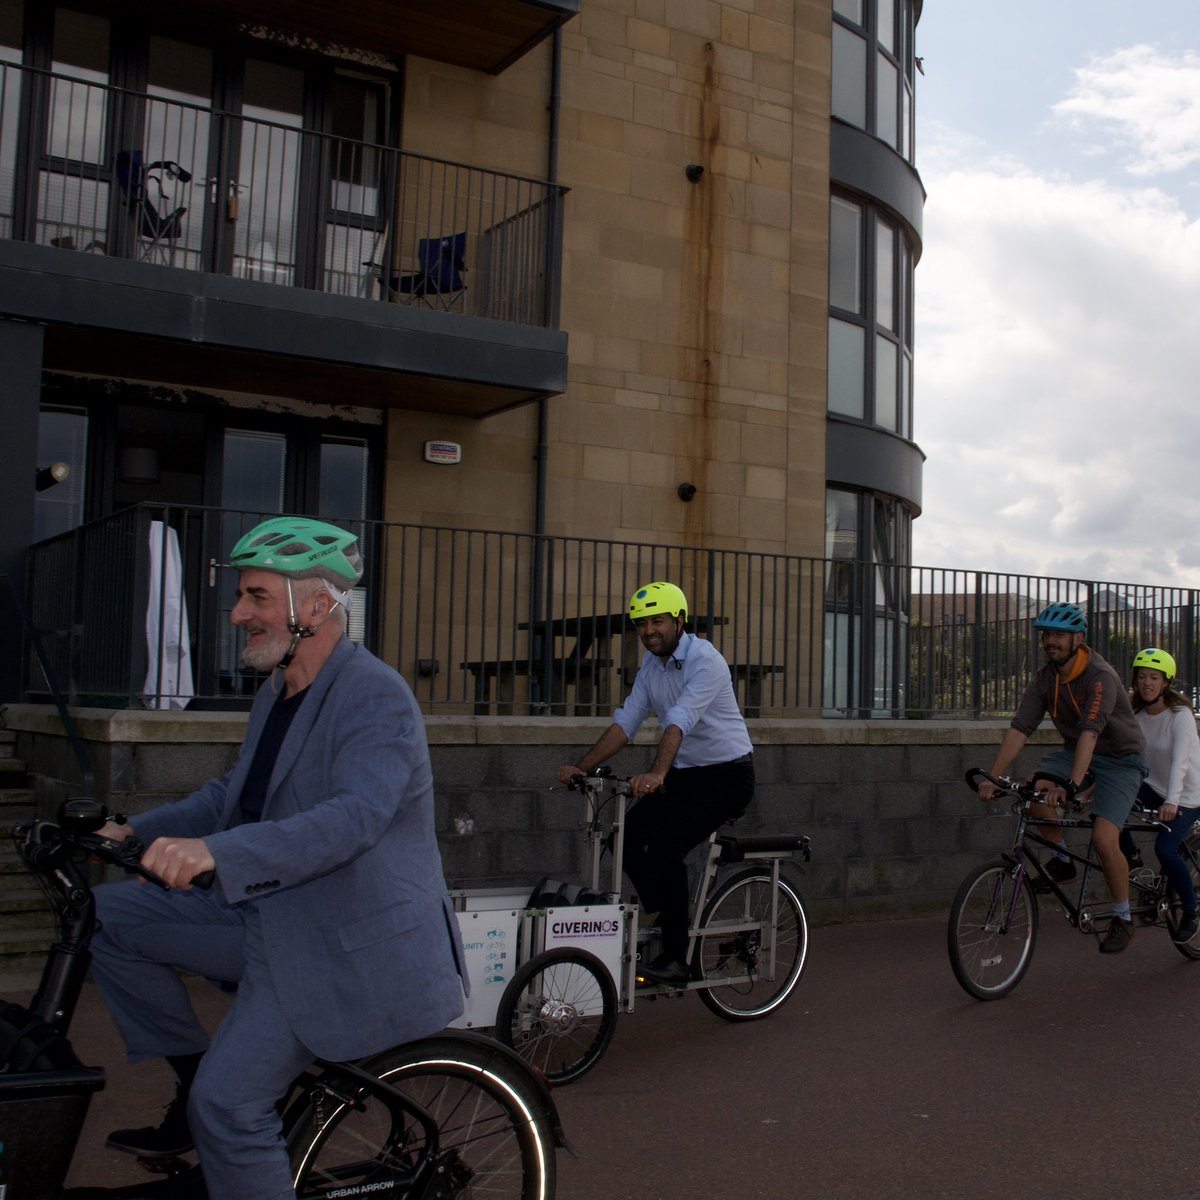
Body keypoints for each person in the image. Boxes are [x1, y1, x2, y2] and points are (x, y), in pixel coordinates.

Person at [88, 516, 466, 1200]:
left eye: (256, 597)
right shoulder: (279, 693)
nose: (237, 613)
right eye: (243, 597)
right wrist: (132, 833)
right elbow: (231, 795)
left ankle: (219, 1100)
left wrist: (214, 853)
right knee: (105, 915)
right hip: (264, 916)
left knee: (228, 1107)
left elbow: (353, 819)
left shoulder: (376, 697)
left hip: (333, 939)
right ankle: (194, 1072)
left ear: (316, 606)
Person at [556, 581, 754, 985]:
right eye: (641, 624)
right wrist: (580, 767)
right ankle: (670, 916)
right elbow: (627, 722)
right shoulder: (652, 665)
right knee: (623, 837)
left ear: (679, 620)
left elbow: (680, 718)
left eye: (658, 621)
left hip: (727, 776)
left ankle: (676, 960)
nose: (648, 631)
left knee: (666, 849)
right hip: (686, 775)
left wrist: (658, 774)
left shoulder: (705, 660)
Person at [977, 601, 1147, 954]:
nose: (1051, 641)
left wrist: (1070, 784)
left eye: (1059, 635)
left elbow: (1090, 732)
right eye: (1047, 634)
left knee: (1103, 837)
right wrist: (993, 777)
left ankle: (1123, 916)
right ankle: (1063, 862)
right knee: (1033, 790)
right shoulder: (1044, 678)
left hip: (1119, 759)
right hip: (1076, 751)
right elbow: (1020, 728)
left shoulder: (1100, 676)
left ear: (1078, 639)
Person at [1121, 648, 1200, 944]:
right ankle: (1137, 867)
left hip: (1188, 795)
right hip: (1153, 787)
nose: (1147, 683)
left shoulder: (1180, 716)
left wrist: (1172, 801)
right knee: (1110, 813)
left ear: (1165, 682)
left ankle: (1191, 912)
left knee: (1166, 850)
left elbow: (1180, 761)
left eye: (1154, 677)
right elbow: (1126, 755)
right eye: (1142, 677)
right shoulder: (1137, 714)